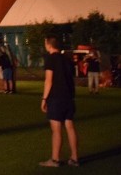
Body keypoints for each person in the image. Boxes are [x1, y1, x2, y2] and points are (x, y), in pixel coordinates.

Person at [40, 35, 79, 167]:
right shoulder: (66, 59)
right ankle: (74, 158)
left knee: (56, 130)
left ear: (49, 44)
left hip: (56, 98)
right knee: (70, 127)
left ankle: (55, 159)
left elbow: (48, 80)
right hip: (68, 97)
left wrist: (44, 98)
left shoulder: (50, 59)